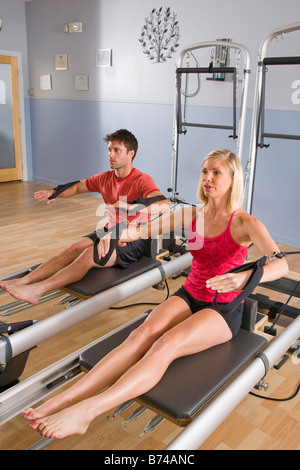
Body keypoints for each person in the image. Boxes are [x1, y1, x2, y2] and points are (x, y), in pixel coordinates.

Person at [21, 149, 288, 439]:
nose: (207, 178)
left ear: (233, 179)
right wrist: (113, 233)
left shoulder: (245, 223)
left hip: (222, 308)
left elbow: (281, 263)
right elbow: (140, 231)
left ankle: (87, 411)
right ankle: (66, 398)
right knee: (139, 336)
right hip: (189, 294)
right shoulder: (192, 214)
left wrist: (247, 276)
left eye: (216, 172)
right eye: (204, 171)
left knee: (165, 344)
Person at [0, 129, 169, 305]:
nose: (110, 155)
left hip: (132, 238)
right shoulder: (105, 178)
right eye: (109, 150)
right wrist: (54, 192)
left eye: (116, 150)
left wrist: (131, 206)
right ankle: (23, 281)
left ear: (130, 153)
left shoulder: (142, 180)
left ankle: (37, 290)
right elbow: (77, 187)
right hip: (109, 230)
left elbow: (163, 204)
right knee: (73, 248)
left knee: (89, 254)